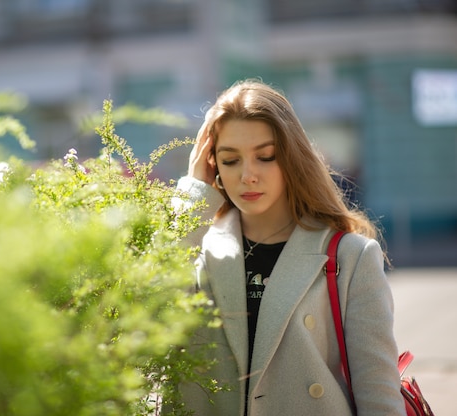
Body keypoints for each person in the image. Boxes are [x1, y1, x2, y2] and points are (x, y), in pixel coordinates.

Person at [171, 79, 405, 415]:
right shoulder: (196, 249)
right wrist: (194, 194)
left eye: (265, 156)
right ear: (213, 166)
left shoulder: (350, 257)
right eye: (230, 159)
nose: (248, 175)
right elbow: (146, 313)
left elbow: (378, 392)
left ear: (291, 159)